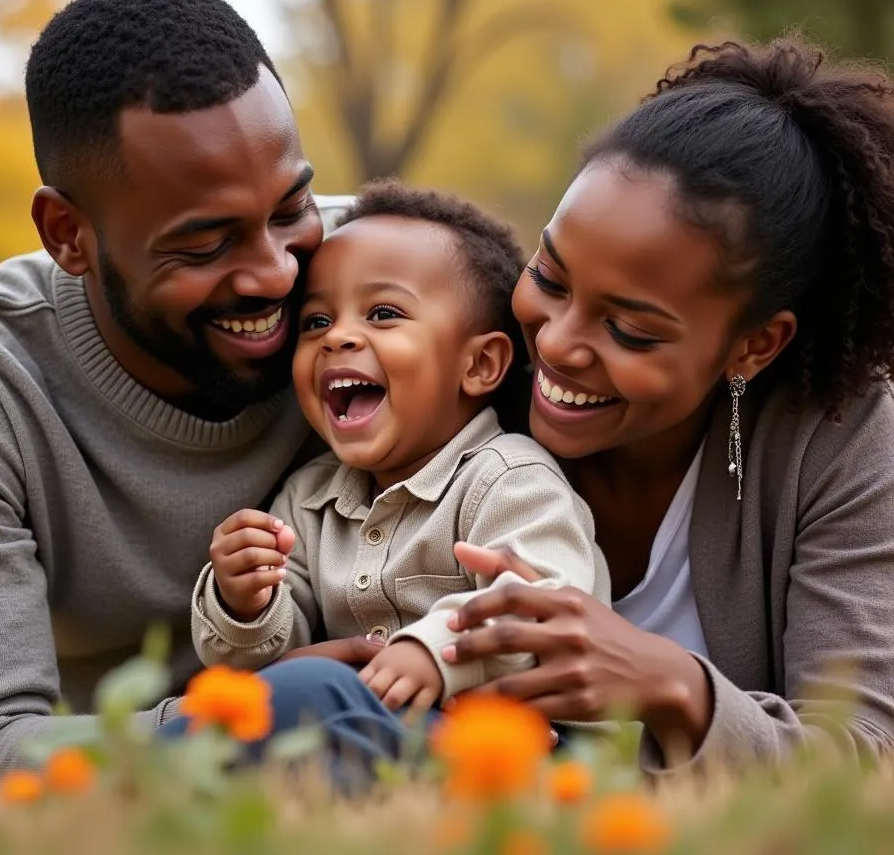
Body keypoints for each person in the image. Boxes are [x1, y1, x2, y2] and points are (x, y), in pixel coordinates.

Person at [256, 38, 894, 776]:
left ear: (753, 346)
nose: (556, 345)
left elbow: (863, 762)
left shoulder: (842, 443)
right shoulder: (459, 378)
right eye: (551, 278)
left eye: (629, 329)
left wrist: (673, 686)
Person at [0, 0, 365, 774]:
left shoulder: (390, 284)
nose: (275, 274)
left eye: (288, 211)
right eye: (206, 245)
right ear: (68, 233)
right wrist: (253, 715)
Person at [191, 183, 610, 712]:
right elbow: (262, 659)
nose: (338, 337)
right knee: (267, 714)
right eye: (317, 321)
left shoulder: (508, 479)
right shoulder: (308, 499)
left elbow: (546, 600)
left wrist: (433, 651)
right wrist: (244, 600)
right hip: (387, 734)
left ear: (479, 365)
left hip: (530, 743)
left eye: (383, 313)